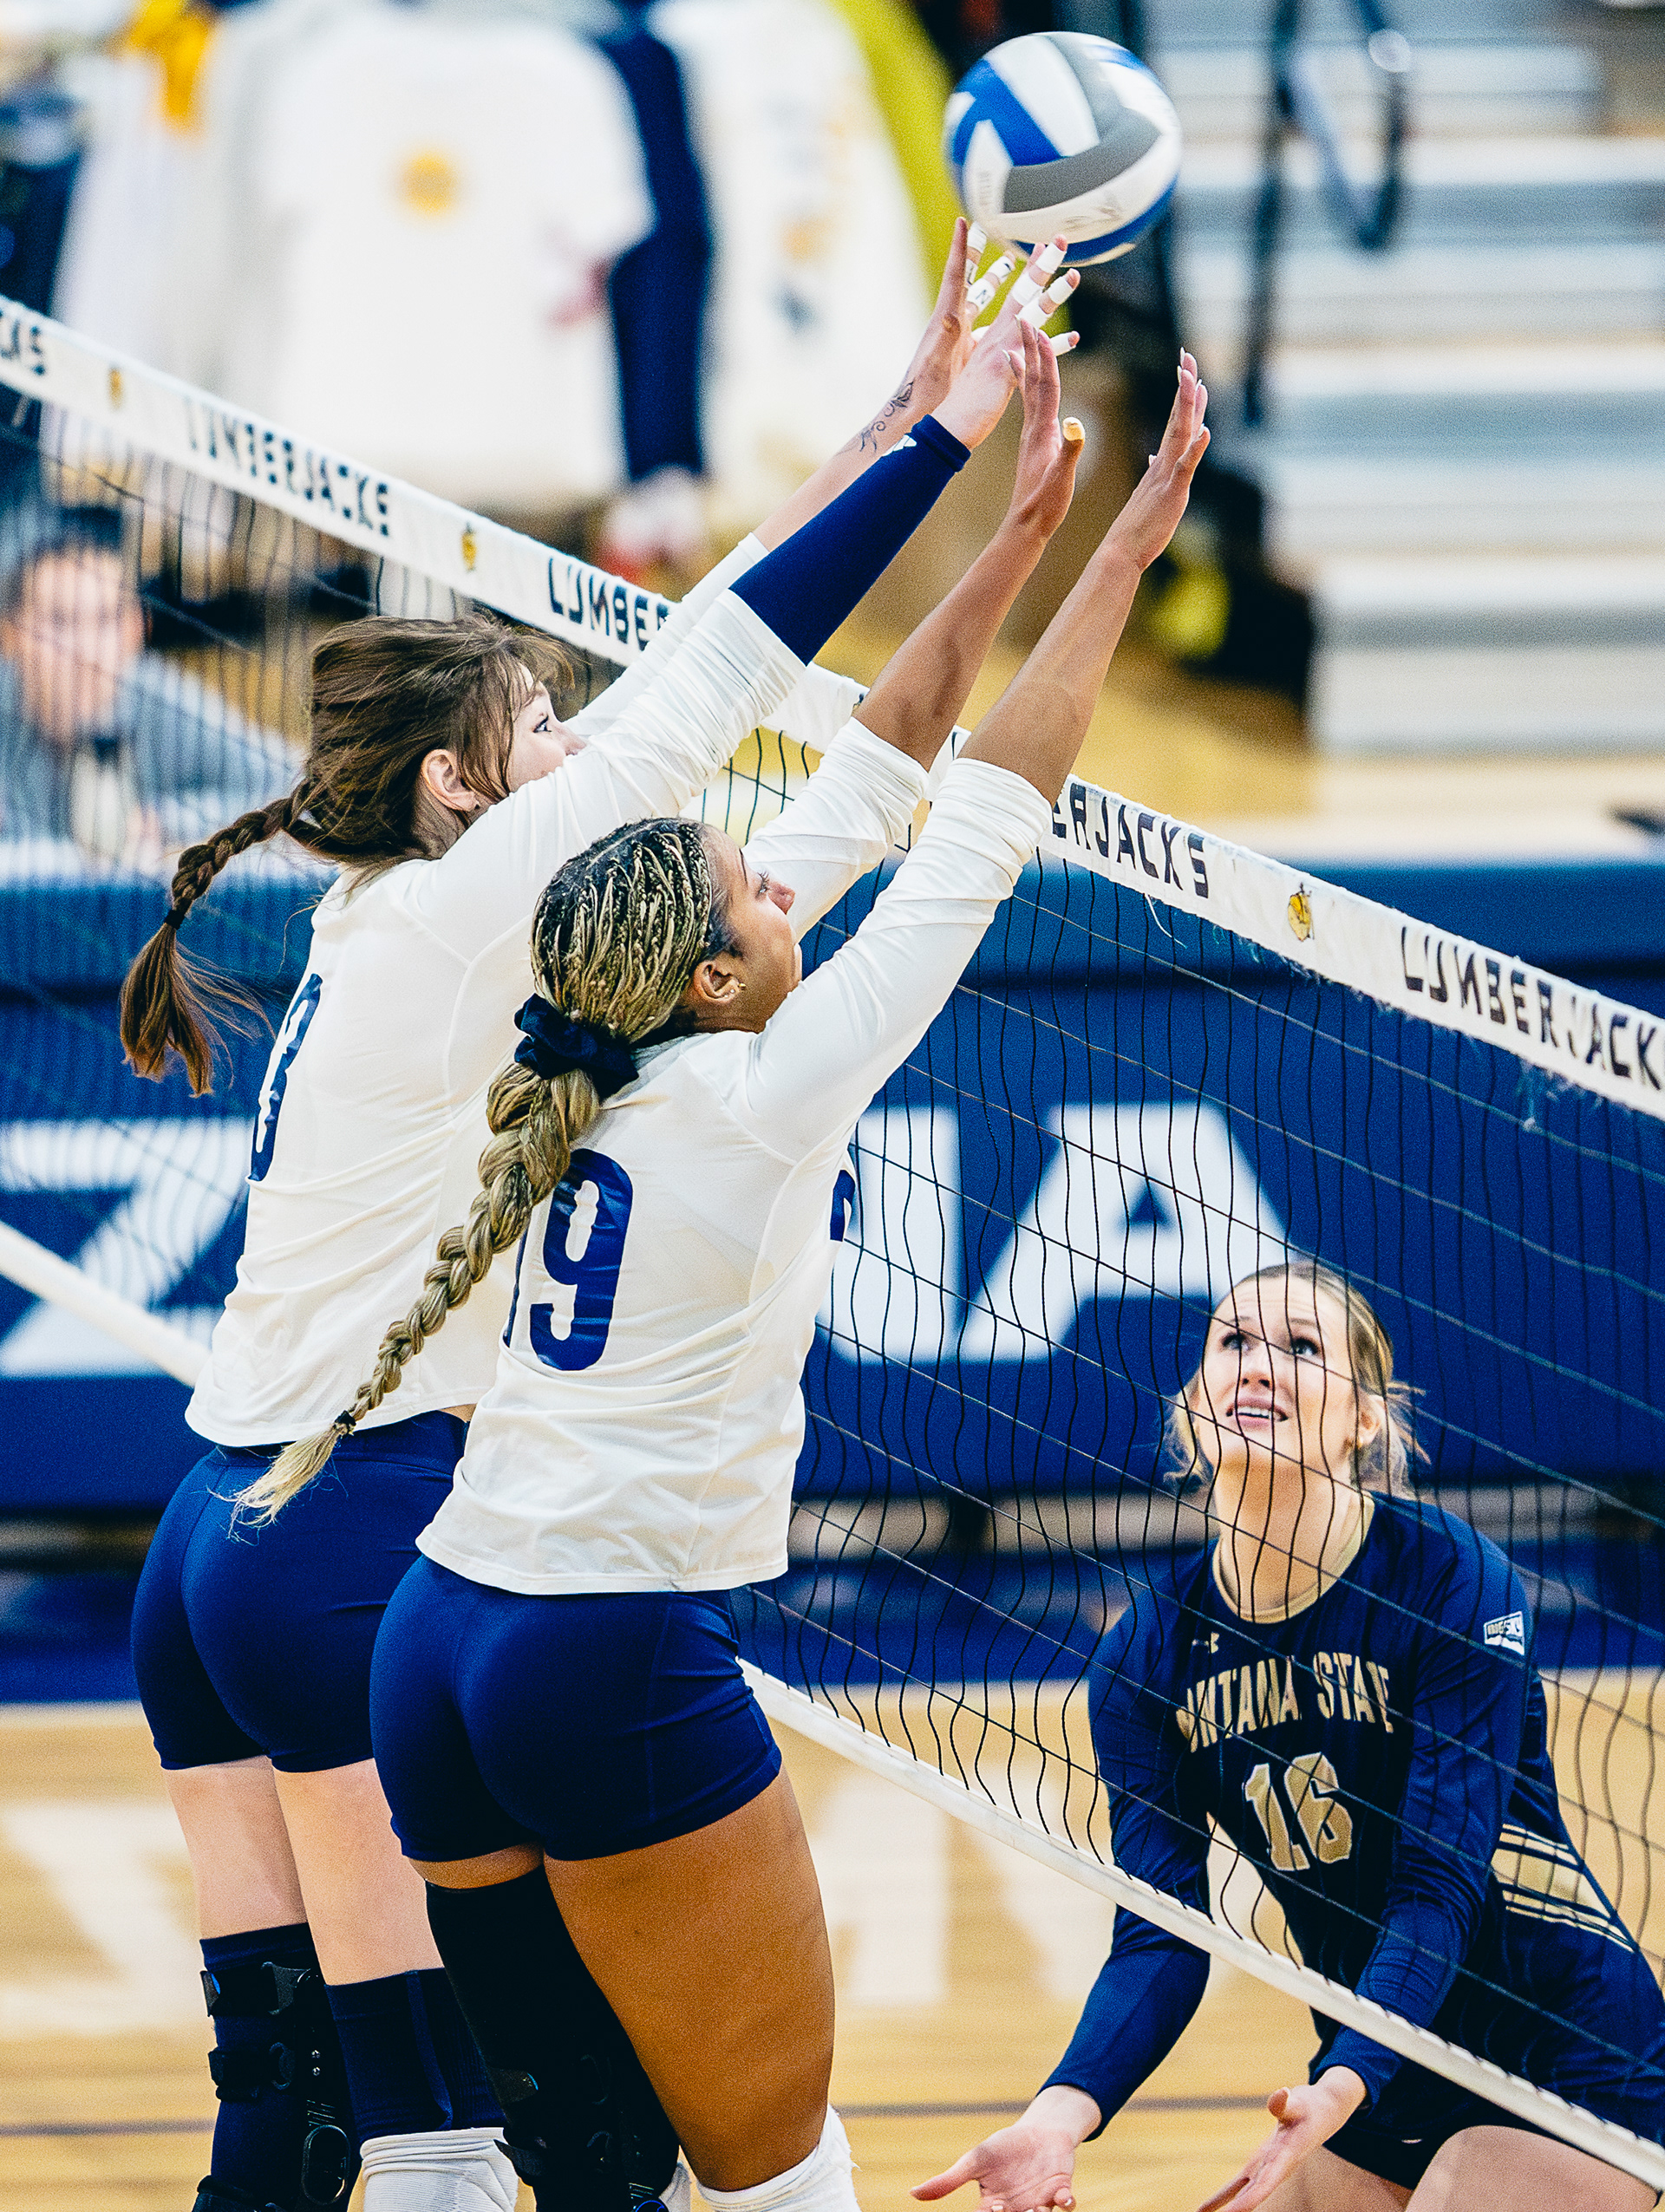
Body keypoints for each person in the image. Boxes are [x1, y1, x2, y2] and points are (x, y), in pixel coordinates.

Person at [121, 227, 1075, 2212]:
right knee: (517, 2155)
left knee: (296, 2115)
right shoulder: (492, 898)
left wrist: (909, 411)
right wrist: (955, 440)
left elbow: (807, 826)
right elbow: (736, 648)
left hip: (219, 1533)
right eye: (548, 731)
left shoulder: (446, 932)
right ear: (473, 788)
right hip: (367, 1533)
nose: (583, 753)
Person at [339, 330, 1210, 2212]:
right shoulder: (762, 1089)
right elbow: (987, 813)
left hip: (443, 1641)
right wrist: (1124, 561)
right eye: (758, 887)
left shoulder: (598, 1045)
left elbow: (880, 762)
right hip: (603, 1652)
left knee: (578, 2163)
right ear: (722, 973)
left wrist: (1009, 541)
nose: (783, 882)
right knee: (776, 2176)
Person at [913, 1260, 1665, 2212]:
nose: (1259, 1365)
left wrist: (1343, 2080)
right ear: (1193, 1404)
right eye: (1234, 1342)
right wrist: (1062, 2112)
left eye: (1301, 1348)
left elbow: (1440, 1889)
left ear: (1364, 1417)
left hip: (1563, 2055)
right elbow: (1160, 1936)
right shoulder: (1148, 1652)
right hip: (1381, 2064)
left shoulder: (1447, 1580)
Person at [0, 496, 295, 858]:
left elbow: (299, 792)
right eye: (61, 621)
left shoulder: (168, 704)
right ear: (10, 633)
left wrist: (170, 823)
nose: (86, 649)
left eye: (106, 619)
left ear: (136, 627)